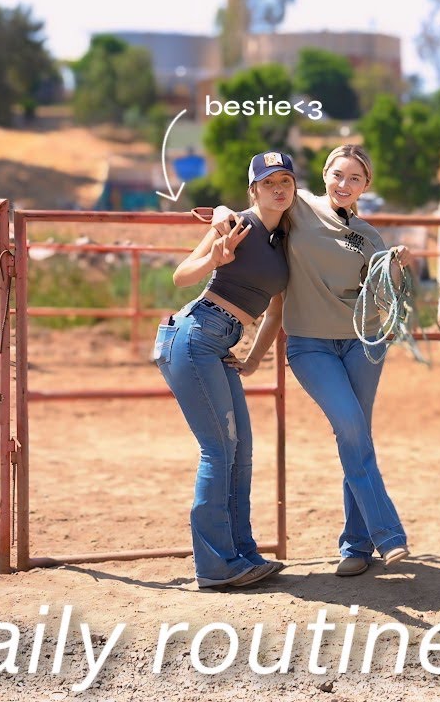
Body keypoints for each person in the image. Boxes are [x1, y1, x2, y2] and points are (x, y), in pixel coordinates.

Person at [214, 144, 411, 577]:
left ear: (365, 185)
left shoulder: (371, 236)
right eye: (338, 175)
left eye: (355, 178)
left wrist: (395, 273)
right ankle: (389, 535)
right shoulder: (297, 206)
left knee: (356, 436)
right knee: (351, 426)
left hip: (364, 343)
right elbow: (248, 205)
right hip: (310, 345)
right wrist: (219, 213)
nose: (345, 184)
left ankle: (356, 546)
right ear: (324, 175)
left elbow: (384, 297)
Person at [154, 150, 295, 590]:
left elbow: (275, 314)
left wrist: (253, 359)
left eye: (285, 181)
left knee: (241, 451)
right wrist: (215, 258)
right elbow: (181, 276)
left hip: (222, 344)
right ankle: (216, 567)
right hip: (194, 335)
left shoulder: (284, 243)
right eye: (269, 182)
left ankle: (242, 554)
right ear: (253, 189)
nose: (278, 189)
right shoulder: (235, 225)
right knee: (219, 450)